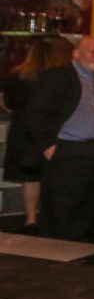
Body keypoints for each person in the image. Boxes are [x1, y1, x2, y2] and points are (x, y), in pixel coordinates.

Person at [25, 36, 94, 242]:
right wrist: (48, 146)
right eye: (91, 51)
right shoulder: (57, 77)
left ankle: (75, 258)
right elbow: (35, 113)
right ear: (76, 54)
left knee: (87, 210)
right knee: (61, 211)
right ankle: (53, 259)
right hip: (69, 151)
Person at [1, 37, 73, 232]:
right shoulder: (58, 78)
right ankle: (52, 219)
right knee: (52, 178)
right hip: (51, 132)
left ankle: (31, 219)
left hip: (22, 133)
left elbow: (8, 104)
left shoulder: (18, 75)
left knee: (30, 178)